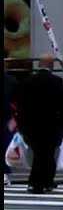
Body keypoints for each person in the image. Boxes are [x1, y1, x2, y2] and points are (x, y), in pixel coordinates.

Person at [16, 54, 63, 194]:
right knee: (47, 153)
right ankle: (39, 182)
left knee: (39, 152)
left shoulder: (27, 81)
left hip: (31, 124)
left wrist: (20, 123)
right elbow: (61, 104)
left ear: (39, 64)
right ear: (52, 65)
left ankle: (43, 181)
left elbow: (21, 104)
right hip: (51, 124)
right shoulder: (56, 81)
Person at [3, 51, 17, 186]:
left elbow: (16, 100)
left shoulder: (11, 81)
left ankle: (4, 172)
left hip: (6, 117)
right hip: (7, 116)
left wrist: (14, 117)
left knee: (5, 145)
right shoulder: (11, 81)